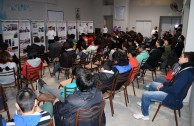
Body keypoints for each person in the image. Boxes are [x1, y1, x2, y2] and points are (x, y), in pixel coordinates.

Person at [133, 52, 194, 120]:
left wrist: (162, 88)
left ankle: (145, 115)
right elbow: (173, 82)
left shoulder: (186, 73)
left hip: (173, 98)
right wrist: (164, 84)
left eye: (181, 56)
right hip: (173, 93)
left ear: (186, 59)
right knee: (153, 85)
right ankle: (149, 103)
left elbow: (175, 90)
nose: (179, 58)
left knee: (146, 95)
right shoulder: (186, 68)